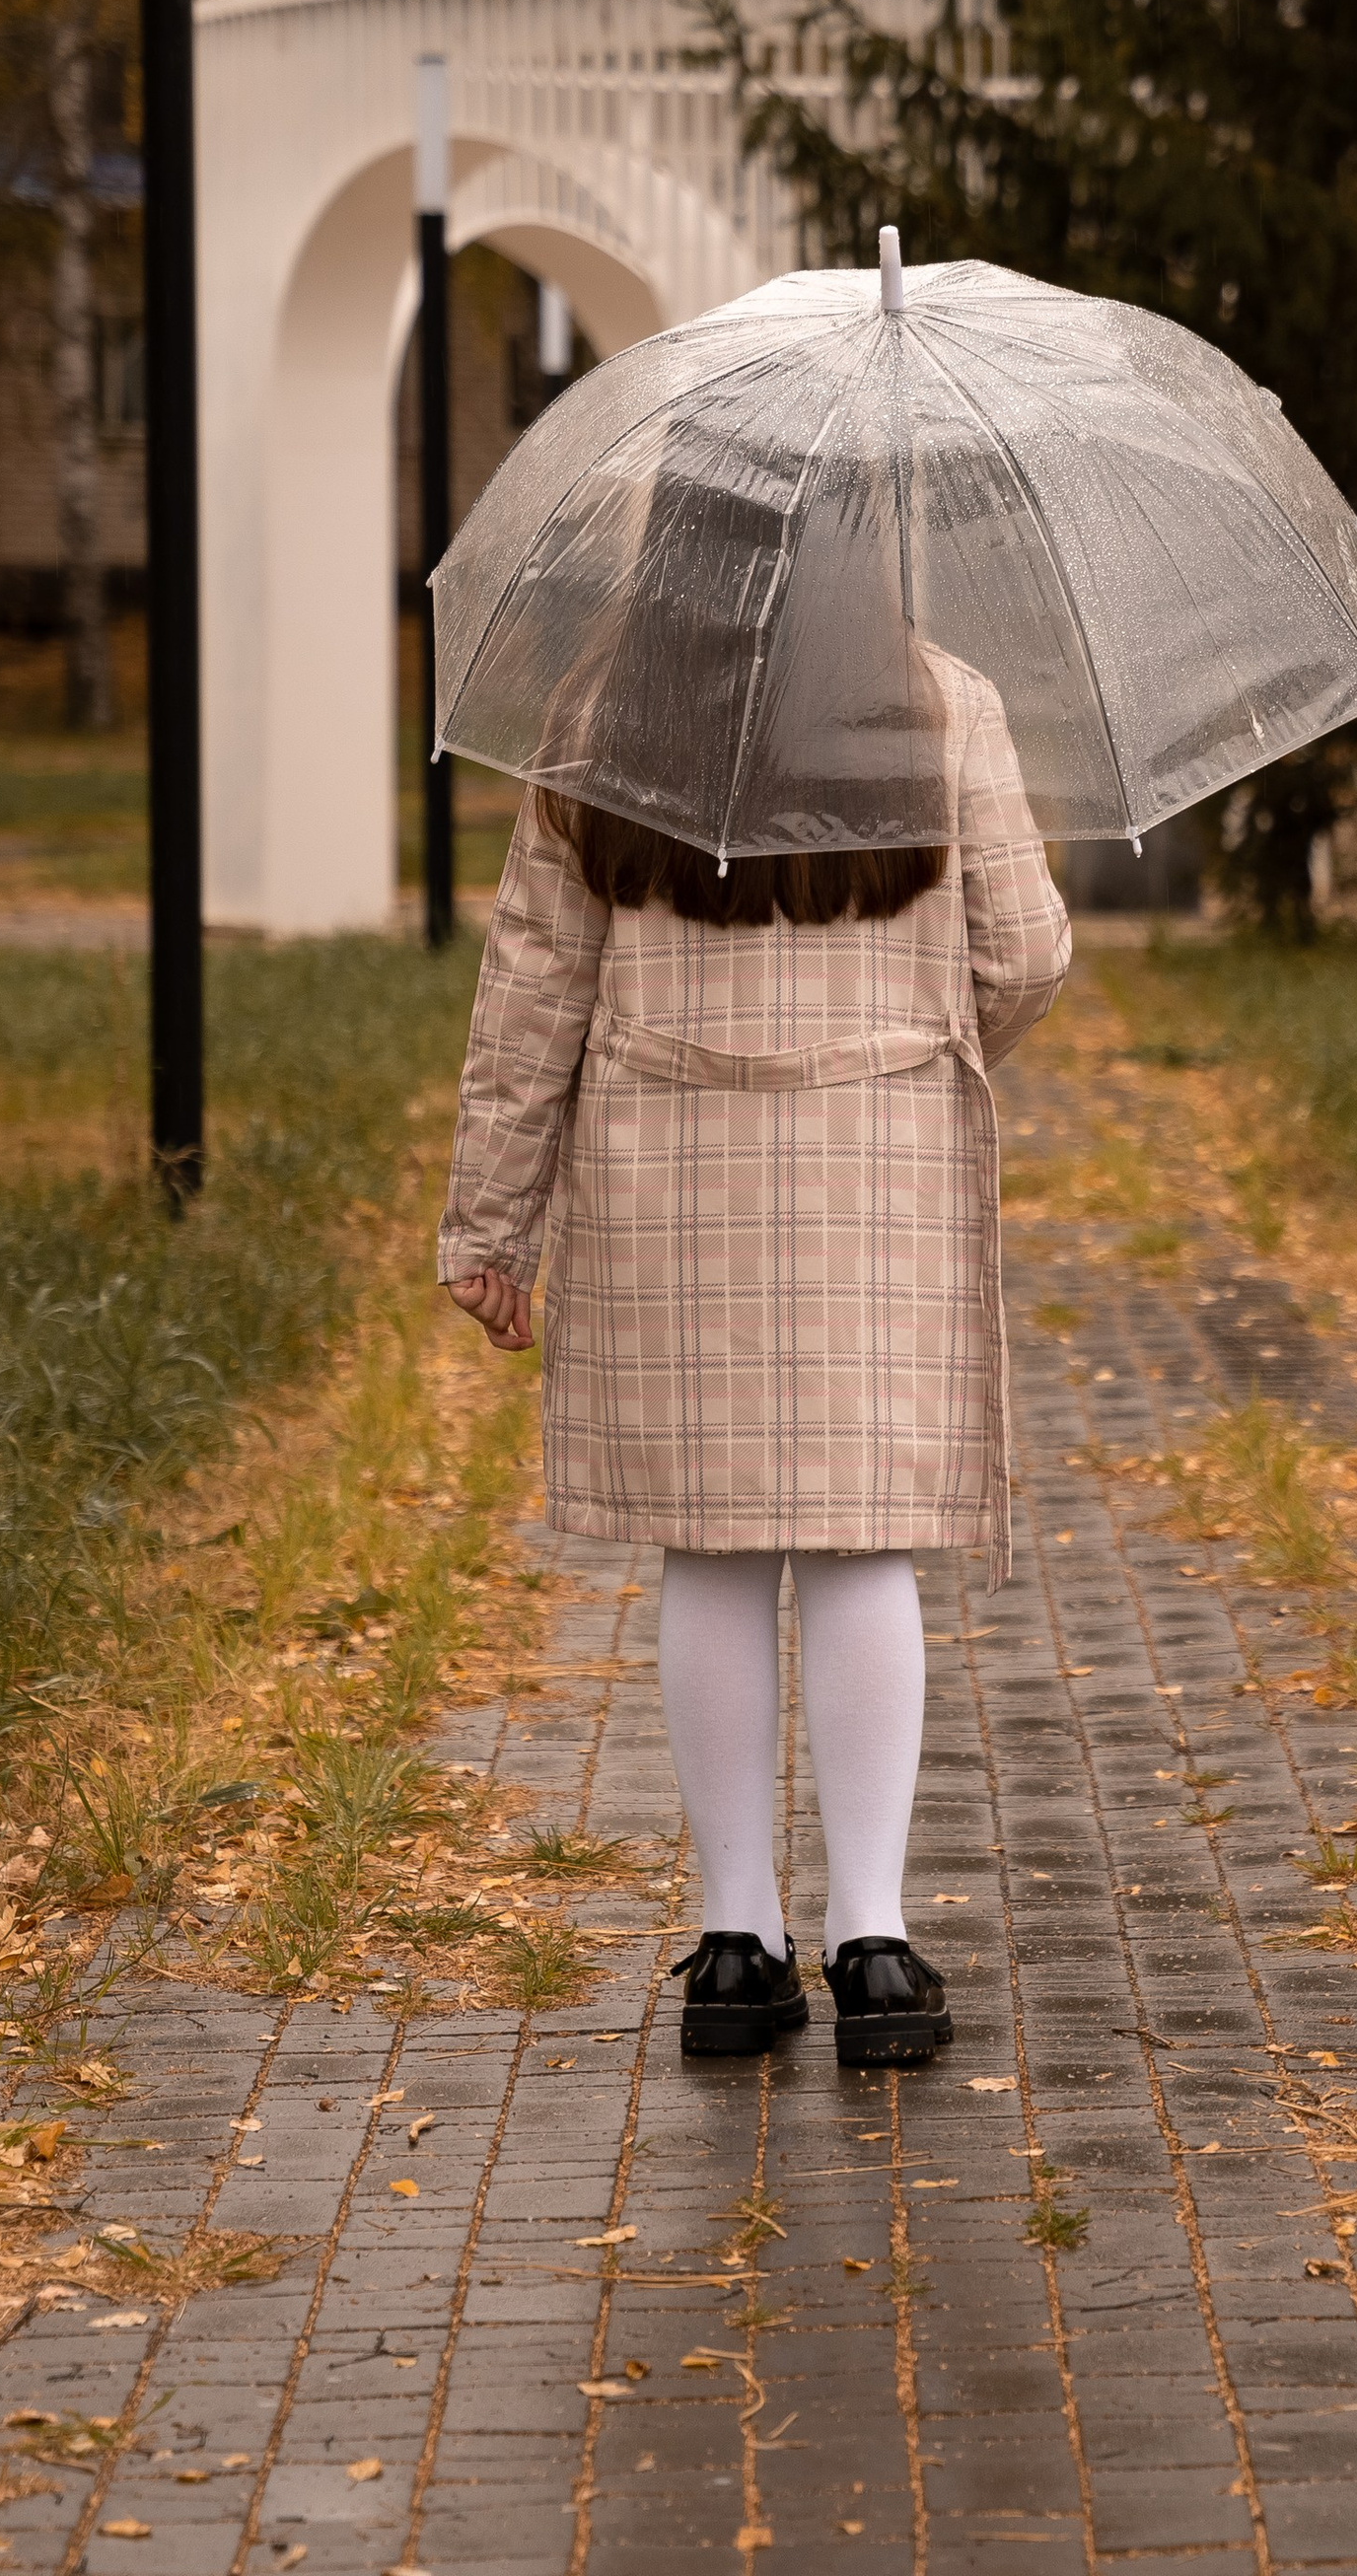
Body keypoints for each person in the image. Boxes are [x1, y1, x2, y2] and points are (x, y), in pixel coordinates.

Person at [436, 615, 1069, 2068]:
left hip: (670, 1172)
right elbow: (1026, 954)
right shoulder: (941, 702)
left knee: (709, 1544)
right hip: (878, 1170)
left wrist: (490, 1219)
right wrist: (919, 1033)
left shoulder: (602, 712)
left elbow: (536, 980)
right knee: (861, 1541)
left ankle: (735, 1948)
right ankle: (877, 1945)